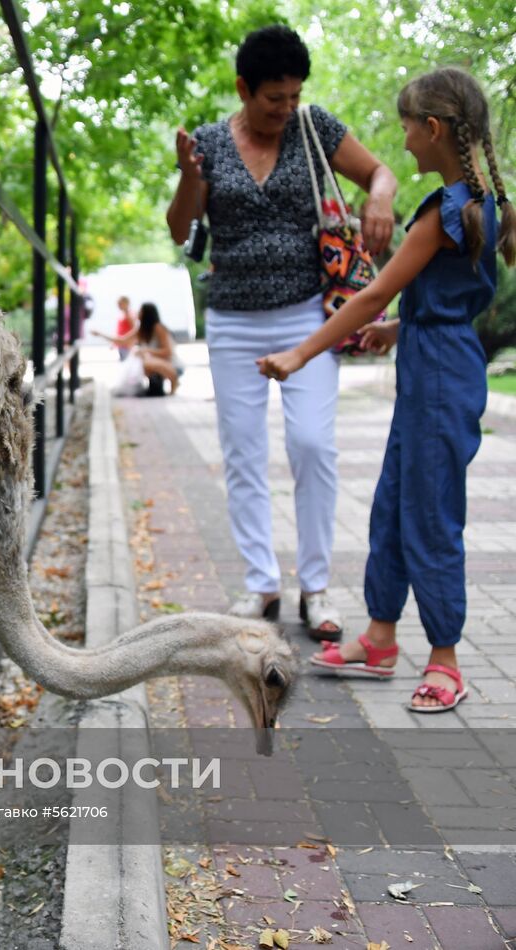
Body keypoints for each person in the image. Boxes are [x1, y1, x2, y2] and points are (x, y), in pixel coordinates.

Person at [258, 68, 514, 712]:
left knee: (430, 517)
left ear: (433, 129)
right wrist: (404, 328)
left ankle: (447, 660)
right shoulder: (490, 206)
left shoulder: (442, 212)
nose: (400, 143)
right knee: (394, 505)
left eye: (405, 129)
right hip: (438, 363)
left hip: (438, 381)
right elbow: (456, 298)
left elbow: (373, 291)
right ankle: (378, 638)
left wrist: (300, 352)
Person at [166, 24, 398, 638]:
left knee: (313, 446)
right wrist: (190, 174)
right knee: (243, 452)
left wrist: (378, 198)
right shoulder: (212, 143)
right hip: (234, 321)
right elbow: (178, 227)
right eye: (275, 97)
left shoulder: (314, 127)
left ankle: (316, 588)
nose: (286, 108)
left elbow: (381, 173)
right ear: (244, 88)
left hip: (308, 316)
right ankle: (260, 583)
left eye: (294, 95)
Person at [93, 302, 181, 395]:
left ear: (146, 314)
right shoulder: (141, 330)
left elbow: (168, 352)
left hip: (171, 364)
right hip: (156, 363)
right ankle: (156, 385)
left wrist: (146, 351)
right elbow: (122, 341)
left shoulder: (158, 328)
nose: (137, 313)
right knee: (138, 359)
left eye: (140, 311)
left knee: (144, 361)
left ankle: (174, 380)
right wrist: (101, 335)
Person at [113, 296, 139, 360]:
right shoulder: (123, 314)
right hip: (121, 344)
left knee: (126, 362)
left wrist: (131, 343)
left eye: (120, 304)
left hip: (126, 345)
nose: (118, 306)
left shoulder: (129, 314)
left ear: (126, 303)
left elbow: (134, 330)